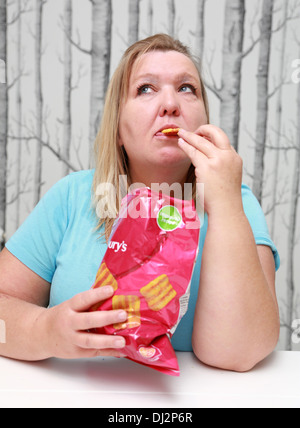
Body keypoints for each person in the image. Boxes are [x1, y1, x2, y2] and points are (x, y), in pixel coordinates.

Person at [0, 34, 280, 371]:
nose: (171, 104)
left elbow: (240, 354)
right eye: (145, 88)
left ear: (205, 122)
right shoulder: (72, 196)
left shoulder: (238, 204)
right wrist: (43, 331)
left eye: (187, 88)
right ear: (118, 128)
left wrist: (225, 203)